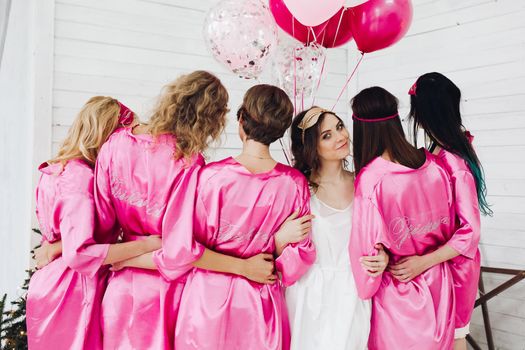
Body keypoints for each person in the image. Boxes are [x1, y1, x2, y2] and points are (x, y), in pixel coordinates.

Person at [173, 84, 316, 350]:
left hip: (206, 304)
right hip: (258, 308)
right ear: (280, 130)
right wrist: (275, 245)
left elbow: (185, 250)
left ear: (241, 120)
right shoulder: (293, 183)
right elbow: (297, 263)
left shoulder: (209, 177)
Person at [27, 96, 162, 350]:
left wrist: (54, 248)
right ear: (107, 137)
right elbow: (80, 253)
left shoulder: (56, 169)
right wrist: (146, 246)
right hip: (73, 291)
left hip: (51, 285)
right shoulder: (80, 178)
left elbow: (66, 238)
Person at [349, 86, 459, 349]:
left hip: (399, 295)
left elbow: (365, 262)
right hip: (440, 289)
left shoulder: (372, 179)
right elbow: (454, 229)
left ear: (361, 129)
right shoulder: (434, 166)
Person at [283, 106, 389, 350]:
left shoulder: (365, 182)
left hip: (353, 291)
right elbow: (276, 247)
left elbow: (381, 235)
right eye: (326, 135)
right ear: (312, 146)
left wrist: (383, 256)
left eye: (339, 127)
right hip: (309, 294)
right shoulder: (299, 189)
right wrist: (281, 237)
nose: (340, 137)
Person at [405, 72, 489, 349]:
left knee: (454, 338)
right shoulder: (436, 152)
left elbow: (470, 231)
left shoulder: (454, 163)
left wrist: (423, 261)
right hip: (439, 262)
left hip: (455, 266)